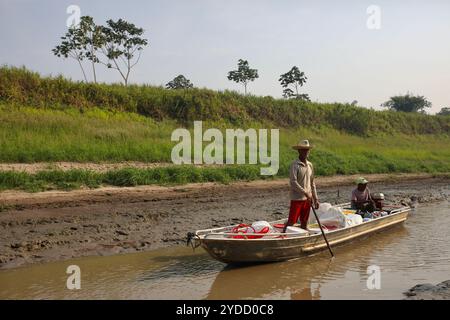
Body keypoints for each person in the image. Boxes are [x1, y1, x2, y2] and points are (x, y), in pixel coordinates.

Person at [284, 139, 319, 231]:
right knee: (292, 221)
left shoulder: (310, 165)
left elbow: (312, 183)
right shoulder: (295, 165)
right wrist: (305, 192)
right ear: (299, 151)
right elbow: (293, 182)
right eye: (303, 150)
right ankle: (283, 235)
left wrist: (315, 198)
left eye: (307, 150)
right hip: (297, 198)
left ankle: (303, 237)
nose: (306, 152)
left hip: (308, 199)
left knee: (304, 222)